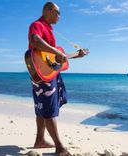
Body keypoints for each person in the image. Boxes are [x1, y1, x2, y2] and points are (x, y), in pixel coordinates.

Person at [27, 2, 87, 156]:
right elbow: (34, 40)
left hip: (45, 74)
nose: (60, 17)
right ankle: (59, 147)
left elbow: (54, 59)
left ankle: (40, 140)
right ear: (50, 10)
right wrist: (55, 51)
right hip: (42, 75)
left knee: (42, 108)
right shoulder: (37, 24)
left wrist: (75, 55)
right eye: (59, 13)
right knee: (49, 109)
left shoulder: (49, 29)